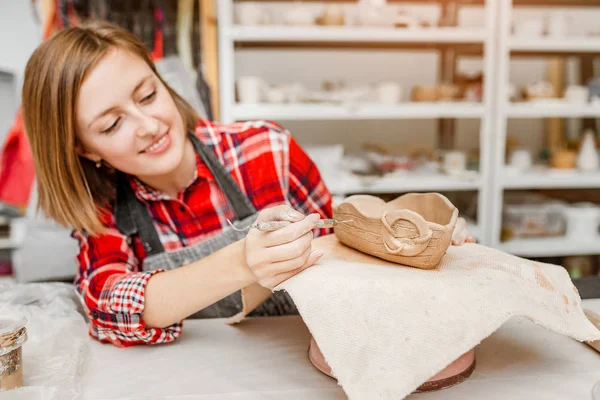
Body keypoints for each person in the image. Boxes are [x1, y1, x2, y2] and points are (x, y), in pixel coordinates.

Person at [21, 21, 474, 348]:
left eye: (147, 95)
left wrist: (411, 240)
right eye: (112, 123)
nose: (147, 125)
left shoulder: (265, 150)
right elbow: (105, 308)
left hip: (299, 360)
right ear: (86, 151)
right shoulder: (103, 207)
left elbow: (342, 247)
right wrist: (241, 262)